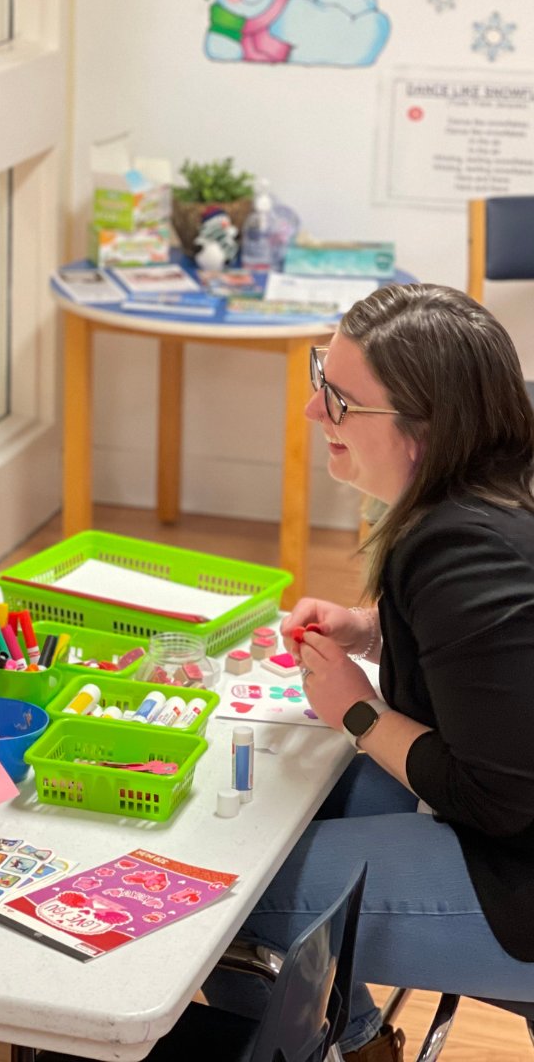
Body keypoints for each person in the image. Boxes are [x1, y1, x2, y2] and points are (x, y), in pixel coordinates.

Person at [202, 282, 534, 1062]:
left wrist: (356, 713)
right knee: (296, 808)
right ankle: (355, 1040)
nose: (316, 414)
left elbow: (502, 795)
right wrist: (373, 633)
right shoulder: (499, 487)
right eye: (324, 380)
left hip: (515, 865)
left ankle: (348, 1044)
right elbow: (506, 658)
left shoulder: (461, 549)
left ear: (424, 428)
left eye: (341, 400)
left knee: (235, 909)